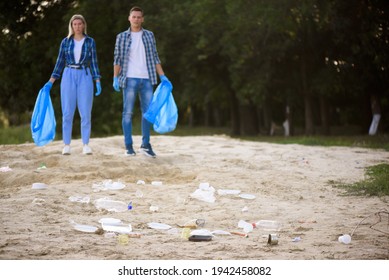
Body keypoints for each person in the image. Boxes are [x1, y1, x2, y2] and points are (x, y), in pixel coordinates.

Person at [113, 6, 169, 158]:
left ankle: (145, 145)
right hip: (129, 79)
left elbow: (155, 57)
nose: (136, 19)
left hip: (147, 78)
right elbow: (117, 59)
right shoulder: (121, 37)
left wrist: (163, 76)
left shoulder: (149, 35)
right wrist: (115, 77)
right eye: (134, 17)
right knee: (128, 113)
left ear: (142, 19)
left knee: (148, 113)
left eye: (139, 17)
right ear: (129, 18)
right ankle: (129, 147)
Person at [43, 14, 102, 155]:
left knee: (85, 112)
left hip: (85, 75)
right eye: (74, 24)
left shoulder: (90, 41)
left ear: (84, 25)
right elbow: (59, 63)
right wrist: (51, 81)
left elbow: (94, 62)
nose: (77, 27)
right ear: (71, 26)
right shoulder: (65, 42)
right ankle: (67, 144)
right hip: (68, 74)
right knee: (67, 112)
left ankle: (86, 144)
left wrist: (97, 80)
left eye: (80, 24)